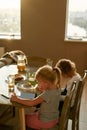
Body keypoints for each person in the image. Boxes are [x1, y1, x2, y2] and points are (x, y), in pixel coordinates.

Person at [10, 65, 61, 130]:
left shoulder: (47, 94)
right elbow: (42, 97)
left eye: (38, 82)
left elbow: (32, 103)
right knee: (30, 112)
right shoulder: (57, 87)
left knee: (24, 118)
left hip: (46, 121)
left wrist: (16, 99)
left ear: (46, 83)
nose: (37, 84)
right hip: (54, 117)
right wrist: (42, 90)